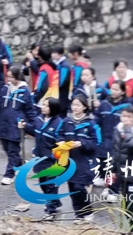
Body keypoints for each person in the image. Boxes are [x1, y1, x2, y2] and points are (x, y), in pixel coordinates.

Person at [0, 66, 40, 186]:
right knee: (6, 148)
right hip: (3, 123)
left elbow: (30, 110)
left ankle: (9, 174)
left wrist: (35, 124)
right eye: (7, 76)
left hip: (16, 125)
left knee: (13, 150)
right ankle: (18, 163)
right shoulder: (5, 89)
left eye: (11, 77)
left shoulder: (25, 91)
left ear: (17, 77)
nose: (8, 79)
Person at [62, 94, 101, 223]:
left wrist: (82, 144)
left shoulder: (90, 123)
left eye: (78, 105)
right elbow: (59, 135)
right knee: (72, 188)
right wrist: (61, 142)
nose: (75, 107)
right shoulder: (66, 121)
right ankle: (78, 214)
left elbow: (97, 142)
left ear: (84, 107)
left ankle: (88, 211)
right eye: (73, 104)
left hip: (84, 161)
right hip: (68, 160)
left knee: (79, 187)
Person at [32, 97, 65, 221]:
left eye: (46, 105)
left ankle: (50, 211)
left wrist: (55, 154)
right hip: (40, 159)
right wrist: (24, 126)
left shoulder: (58, 123)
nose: (43, 107)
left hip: (52, 161)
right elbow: (34, 131)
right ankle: (55, 202)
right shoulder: (39, 119)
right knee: (42, 183)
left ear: (53, 108)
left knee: (50, 185)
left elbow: (60, 141)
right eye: (43, 105)